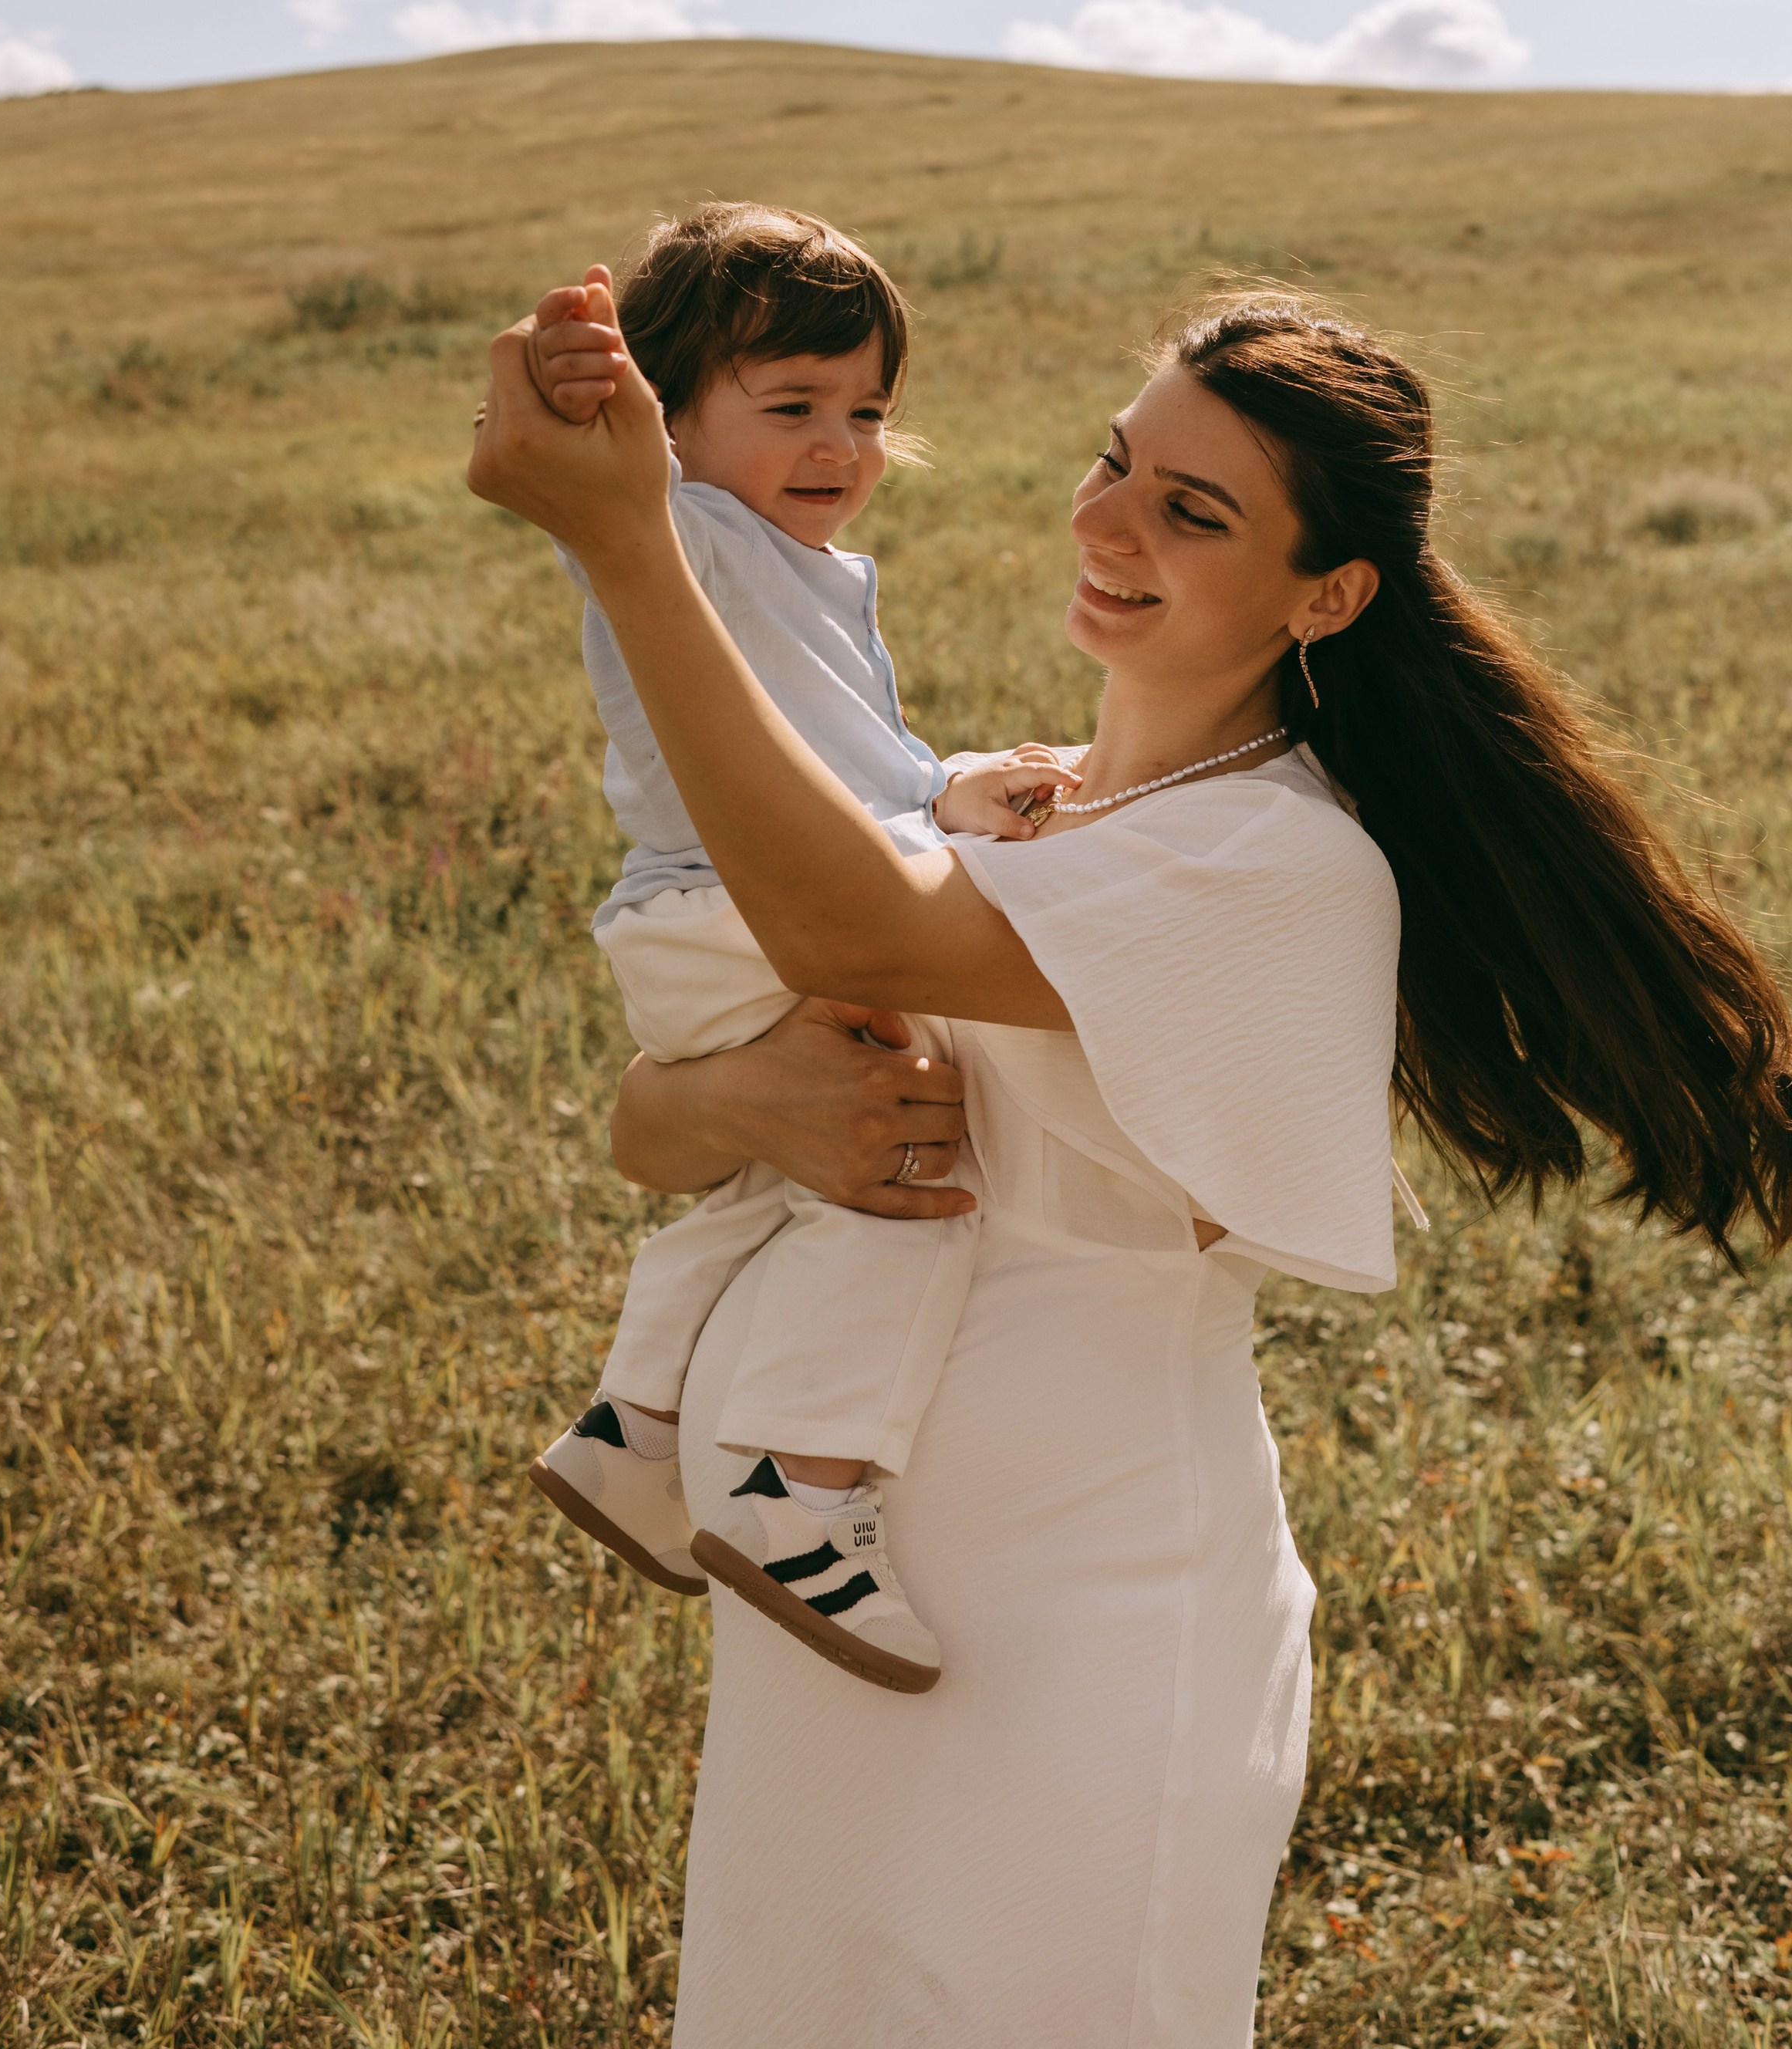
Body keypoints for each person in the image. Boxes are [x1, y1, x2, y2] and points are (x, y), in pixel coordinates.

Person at [468, 283, 1792, 2048]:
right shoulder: (1026, 803)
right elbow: (653, 1125)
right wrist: (739, 1106)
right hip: (828, 1609)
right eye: (1114, 463)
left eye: (1193, 510)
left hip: (1073, 1611)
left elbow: (836, 929)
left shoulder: (1272, 861)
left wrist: (634, 544)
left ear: (1324, 597)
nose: (1106, 523)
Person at [520, 204, 1070, 1690]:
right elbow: (593, 462)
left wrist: (949, 791)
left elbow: (842, 768)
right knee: (912, 1159)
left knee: (787, 1167)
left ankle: (636, 1426)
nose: (841, 445)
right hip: (734, 906)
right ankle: (797, 1494)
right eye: (793, 407)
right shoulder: (687, 531)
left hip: (702, 916)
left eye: (868, 412)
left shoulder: (804, 565)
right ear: (668, 426)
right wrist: (580, 378)